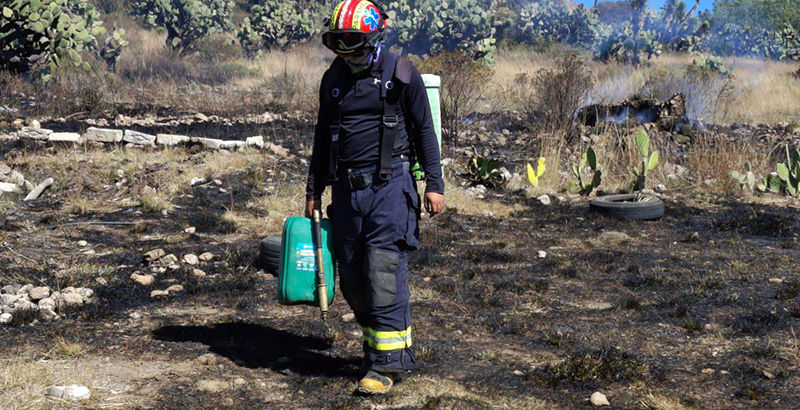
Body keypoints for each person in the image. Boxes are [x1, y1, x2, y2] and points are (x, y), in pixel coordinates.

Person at [305, 0, 445, 395]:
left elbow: (424, 132)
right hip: (347, 193)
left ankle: (386, 366)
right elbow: (321, 138)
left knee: (384, 271)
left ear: (375, 39)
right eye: (339, 45)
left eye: (355, 45)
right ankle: (379, 345)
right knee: (350, 275)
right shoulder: (333, 79)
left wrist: (434, 184)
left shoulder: (401, 75)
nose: (348, 55)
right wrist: (313, 190)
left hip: (391, 189)